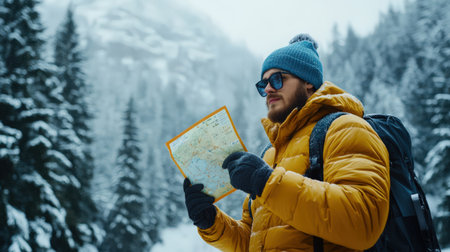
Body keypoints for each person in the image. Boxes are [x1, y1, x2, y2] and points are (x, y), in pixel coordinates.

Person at [183, 34, 390, 251]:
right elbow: (254, 240)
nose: (269, 89)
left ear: (308, 82)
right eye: (264, 84)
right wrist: (211, 223)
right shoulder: (270, 154)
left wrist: (267, 183)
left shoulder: (345, 128)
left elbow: (363, 222)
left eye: (278, 79)